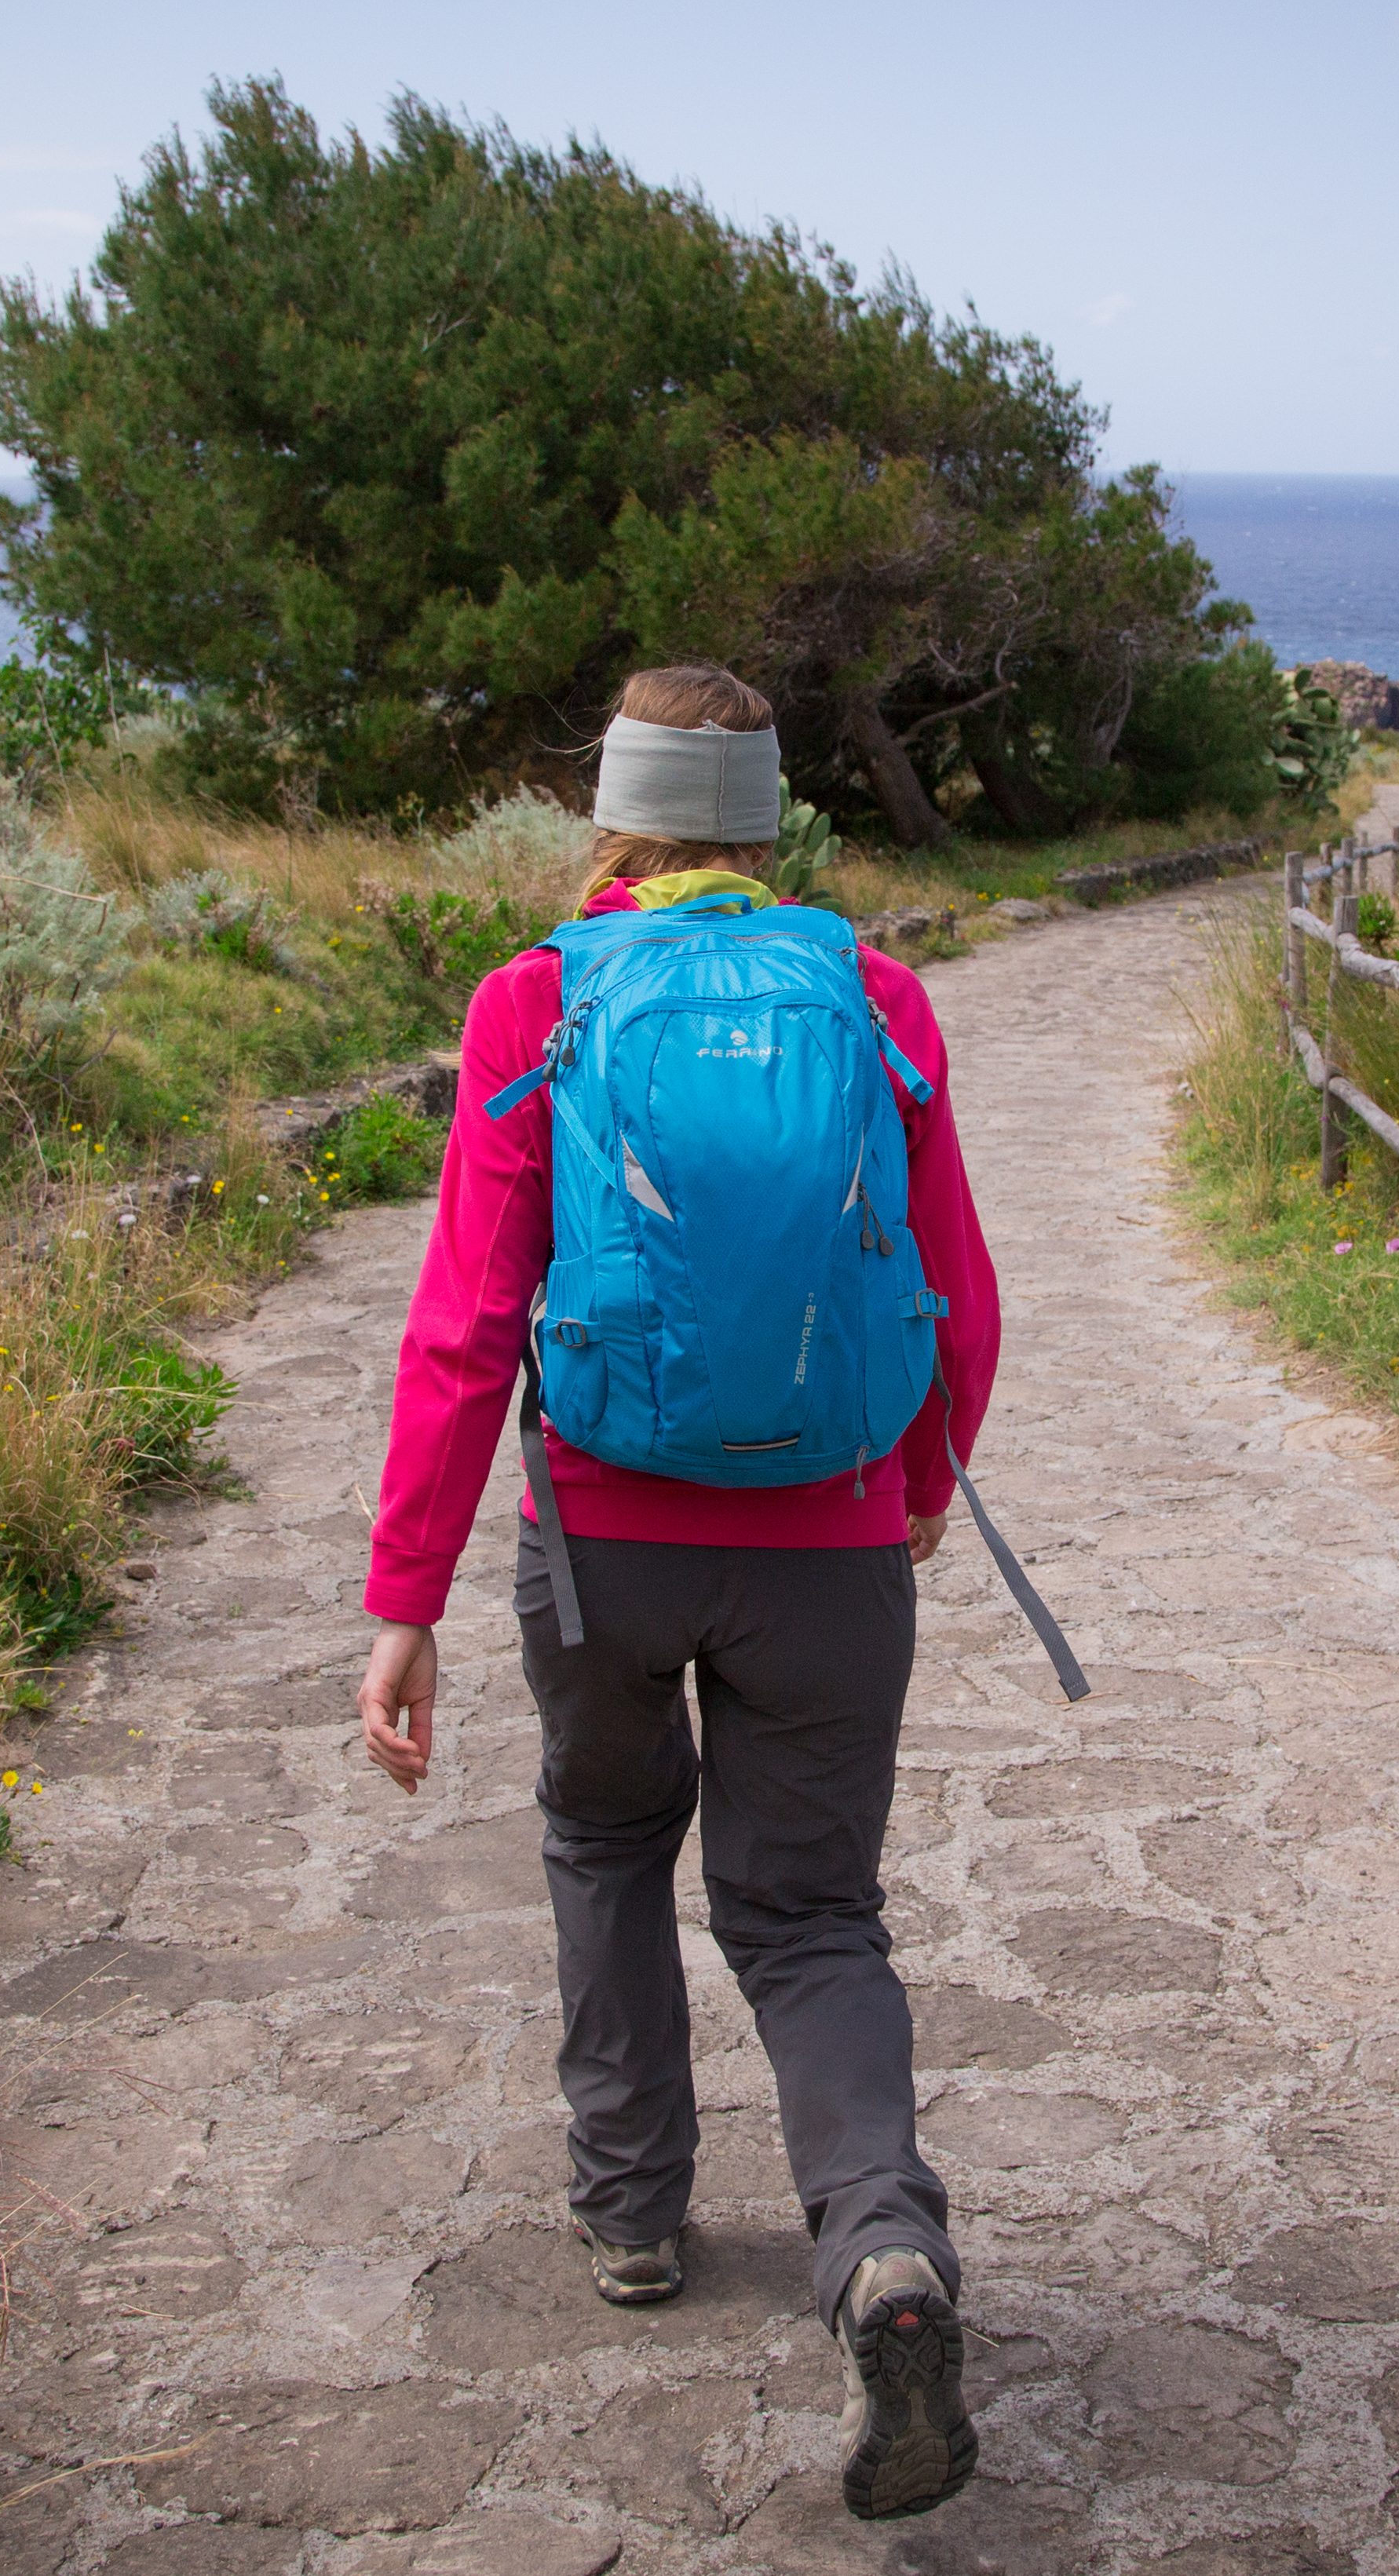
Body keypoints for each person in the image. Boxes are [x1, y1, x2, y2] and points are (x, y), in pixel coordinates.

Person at [352, 662, 999, 2523]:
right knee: (807, 1919)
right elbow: (954, 1279)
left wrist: (403, 1598)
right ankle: (883, 2253)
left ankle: (632, 2217)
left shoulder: (535, 1000)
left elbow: (470, 1325)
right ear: (765, 817)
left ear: (612, 816)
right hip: (832, 1540)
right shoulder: (868, 995)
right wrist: (919, 1485)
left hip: (603, 1547)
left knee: (603, 1842)